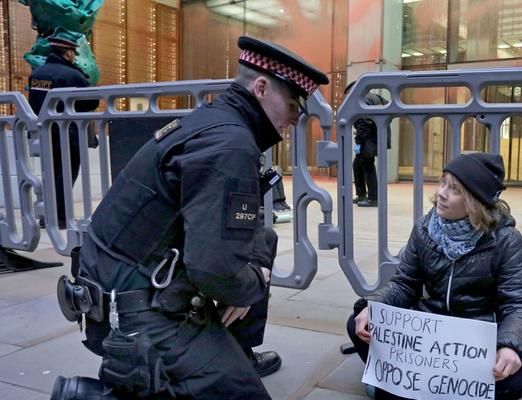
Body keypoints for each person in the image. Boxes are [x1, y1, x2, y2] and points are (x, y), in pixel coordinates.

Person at [51, 36, 328, 399]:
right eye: (292, 103)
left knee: (262, 240)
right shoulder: (230, 145)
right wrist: (250, 284)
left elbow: (220, 242)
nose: (297, 116)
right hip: (135, 310)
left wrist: (243, 278)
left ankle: (231, 354)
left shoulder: (214, 122)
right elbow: (214, 269)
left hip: (119, 281)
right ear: (261, 88)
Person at [346, 153, 522, 400]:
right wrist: (374, 306)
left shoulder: (505, 240)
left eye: (455, 189)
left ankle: (401, 386)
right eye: (443, 182)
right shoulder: (424, 228)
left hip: (475, 342)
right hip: (429, 335)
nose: (442, 193)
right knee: (359, 324)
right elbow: (404, 284)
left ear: (474, 201)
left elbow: (520, 305)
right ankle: (402, 380)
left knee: (516, 377)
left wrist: (510, 346)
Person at [28, 29, 99, 229]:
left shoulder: (37, 74)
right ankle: (60, 217)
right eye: (74, 53)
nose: (75, 57)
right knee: (66, 176)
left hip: (43, 134)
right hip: (67, 135)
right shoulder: (71, 75)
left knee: (50, 175)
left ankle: (46, 216)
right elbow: (91, 101)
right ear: (68, 53)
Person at [344, 81, 388, 207]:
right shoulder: (376, 97)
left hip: (368, 139)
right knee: (358, 164)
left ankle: (373, 198)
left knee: (368, 166)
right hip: (378, 137)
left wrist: (358, 143)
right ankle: (362, 194)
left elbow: (363, 124)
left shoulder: (360, 100)